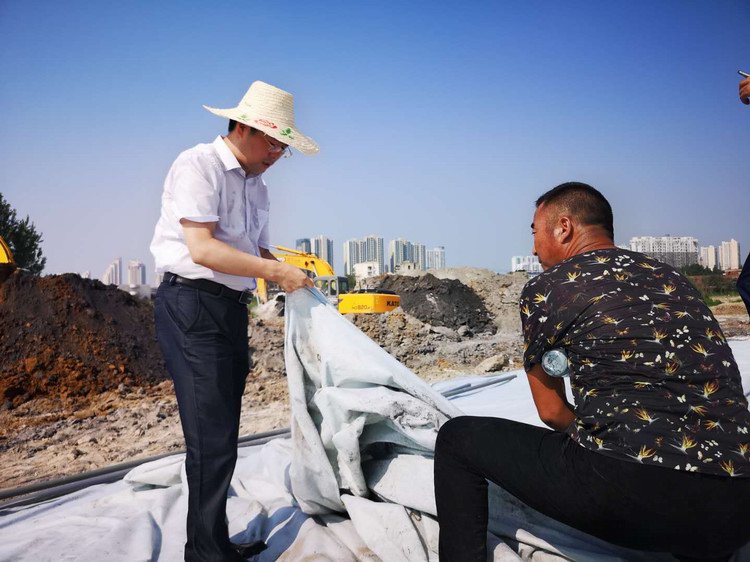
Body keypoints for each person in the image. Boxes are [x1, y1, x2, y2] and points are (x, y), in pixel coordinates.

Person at [434, 182, 750, 561]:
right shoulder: (672, 278)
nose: (533, 249)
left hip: (636, 494)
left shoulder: (549, 286)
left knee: (457, 439)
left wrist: (595, 438)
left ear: (563, 228)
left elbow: (551, 412)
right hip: (738, 505)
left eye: (535, 233)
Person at [150, 81, 316, 561]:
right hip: (191, 305)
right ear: (243, 127)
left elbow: (254, 250)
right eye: (273, 143)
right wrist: (274, 272)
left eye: (284, 148)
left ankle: (212, 543)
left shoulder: (257, 186)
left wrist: (292, 274)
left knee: (221, 433)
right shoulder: (198, 165)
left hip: (228, 308)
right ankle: (205, 553)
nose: (277, 155)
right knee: (210, 439)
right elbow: (202, 249)